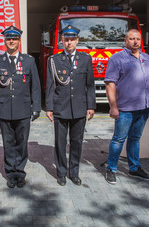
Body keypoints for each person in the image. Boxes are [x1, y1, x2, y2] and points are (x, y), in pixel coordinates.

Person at [0, 25, 41, 188]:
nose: (11, 41)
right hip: (4, 109)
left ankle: (20, 172)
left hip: (23, 109)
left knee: (22, 143)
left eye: (14, 38)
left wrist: (36, 107)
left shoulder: (29, 61)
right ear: (5, 41)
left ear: (19, 41)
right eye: (8, 38)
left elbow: (35, 86)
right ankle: (11, 173)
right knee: (8, 143)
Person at [104, 29, 149, 185]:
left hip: (143, 107)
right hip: (125, 109)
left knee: (135, 139)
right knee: (118, 140)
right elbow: (110, 83)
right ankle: (111, 169)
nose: (135, 42)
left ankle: (134, 168)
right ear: (125, 41)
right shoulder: (117, 59)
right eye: (132, 39)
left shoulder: (147, 58)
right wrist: (113, 106)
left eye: (138, 39)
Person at [45, 25, 96, 186]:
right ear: (62, 41)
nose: (69, 43)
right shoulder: (54, 60)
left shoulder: (85, 59)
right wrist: (49, 107)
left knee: (77, 142)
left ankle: (74, 172)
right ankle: (61, 173)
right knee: (60, 143)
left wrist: (91, 106)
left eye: (72, 40)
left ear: (77, 41)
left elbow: (90, 85)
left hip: (80, 108)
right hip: (61, 107)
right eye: (66, 40)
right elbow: (50, 85)